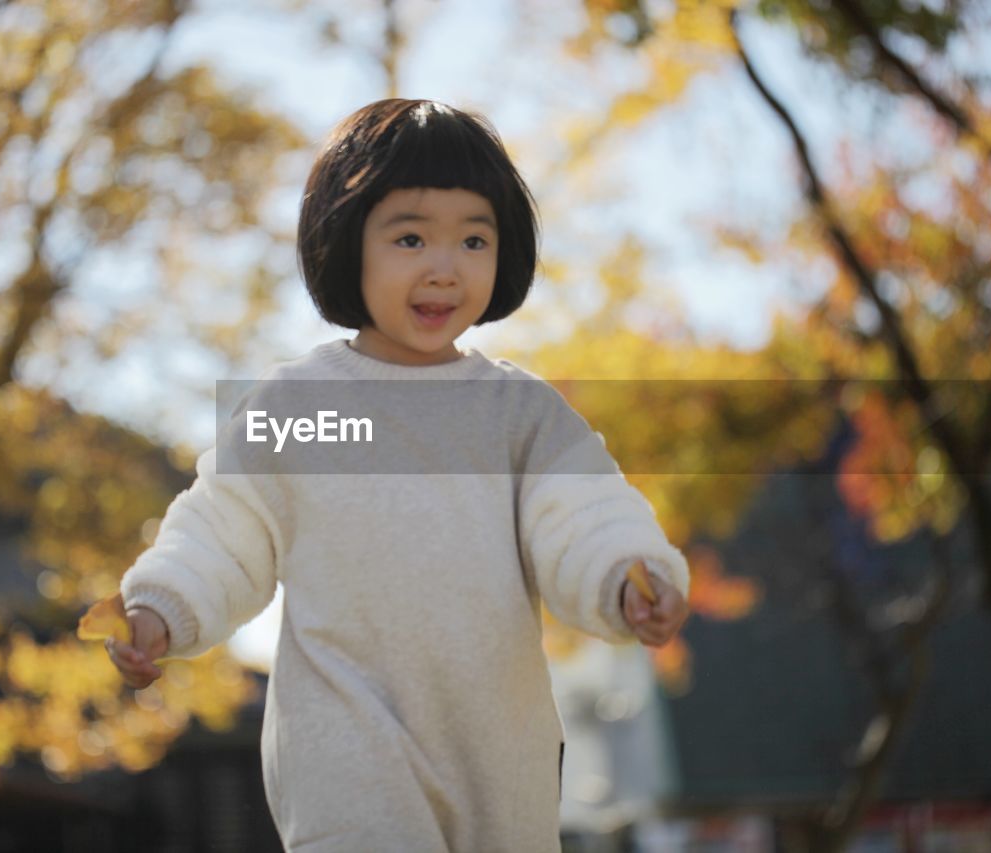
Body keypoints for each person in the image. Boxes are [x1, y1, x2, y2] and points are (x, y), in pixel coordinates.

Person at [104, 98, 690, 852]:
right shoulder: (300, 408)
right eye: (410, 236)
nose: (444, 268)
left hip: (497, 747)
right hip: (344, 740)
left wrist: (628, 574)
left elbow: (584, 514)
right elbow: (223, 529)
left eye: (473, 239)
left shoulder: (518, 414)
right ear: (349, 244)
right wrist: (160, 606)